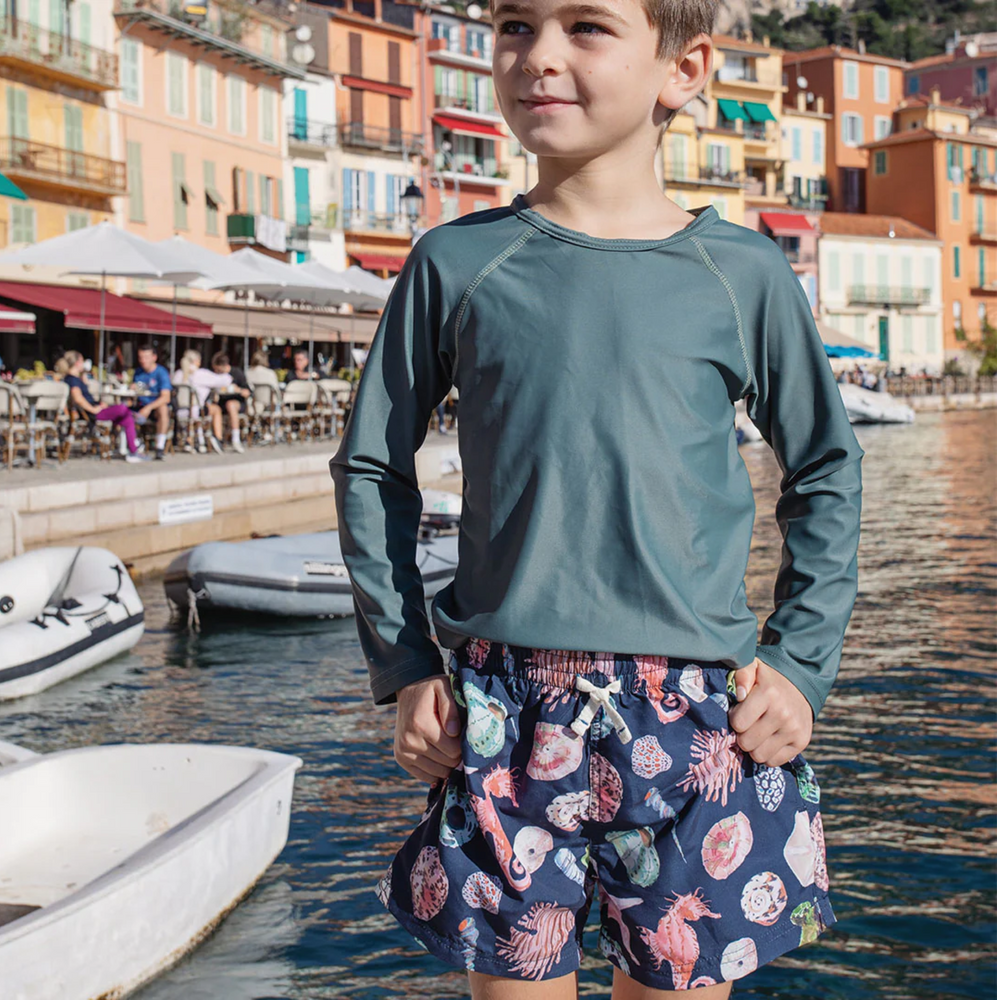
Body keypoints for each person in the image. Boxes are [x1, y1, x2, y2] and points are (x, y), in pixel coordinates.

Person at [331, 0, 864, 995]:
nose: (536, 55)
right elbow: (371, 467)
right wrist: (405, 666)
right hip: (504, 710)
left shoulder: (743, 273)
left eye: (584, 26)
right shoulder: (455, 262)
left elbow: (826, 467)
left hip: (702, 717)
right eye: (513, 25)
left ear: (684, 66)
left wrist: (800, 662)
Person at [62, 351, 148, 463]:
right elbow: (78, 398)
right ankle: (134, 441)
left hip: (94, 410)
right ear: (78, 363)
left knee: (126, 418)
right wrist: (93, 408)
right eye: (82, 361)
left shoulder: (74, 378)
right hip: (92, 414)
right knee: (123, 408)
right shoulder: (73, 380)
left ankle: (133, 450)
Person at [171, 349, 232, 453]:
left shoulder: (177, 374)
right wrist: (226, 371)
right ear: (196, 361)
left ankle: (190, 439)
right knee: (216, 409)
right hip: (195, 411)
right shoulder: (201, 374)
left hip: (178, 411)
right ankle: (218, 438)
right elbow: (225, 381)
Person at [131, 344, 171, 460]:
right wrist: (132, 387)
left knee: (163, 409)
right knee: (122, 409)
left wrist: (148, 408)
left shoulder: (161, 372)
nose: (143, 361)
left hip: (154, 408)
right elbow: (140, 391)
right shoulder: (138, 372)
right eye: (140, 357)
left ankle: (160, 446)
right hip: (140, 405)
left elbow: (166, 397)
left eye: (146, 357)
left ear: (154, 357)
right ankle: (131, 444)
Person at [208, 352, 250, 453]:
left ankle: (236, 439)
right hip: (220, 402)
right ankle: (218, 439)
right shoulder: (215, 376)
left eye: (218, 369)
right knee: (212, 407)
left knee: (230, 404)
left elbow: (247, 392)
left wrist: (237, 390)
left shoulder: (237, 373)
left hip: (237, 402)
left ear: (225, 366)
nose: (216, 372)